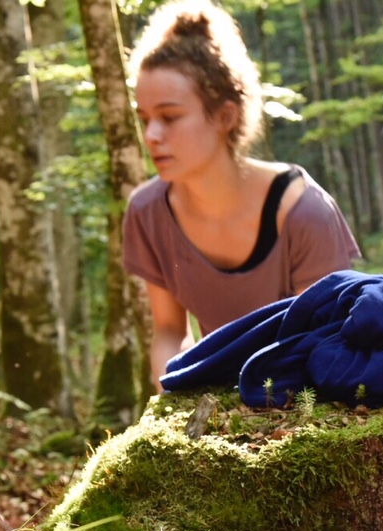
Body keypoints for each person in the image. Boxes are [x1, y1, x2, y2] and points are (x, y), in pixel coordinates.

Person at [122, 0, 361, 390]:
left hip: (310, 405)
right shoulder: (147, 212)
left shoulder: (304, 212)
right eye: (144, 119)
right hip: (218, 403)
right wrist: (173, 395)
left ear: (225, 117)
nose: (151, 135)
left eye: (169, 117)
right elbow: (168, 331)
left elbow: (326, 345)